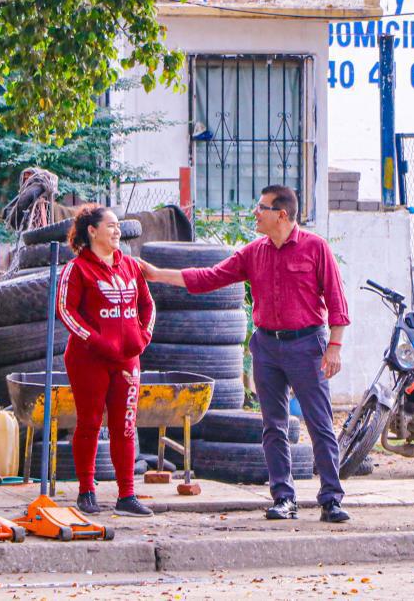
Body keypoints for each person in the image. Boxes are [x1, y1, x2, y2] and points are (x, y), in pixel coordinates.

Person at [138, 185, 351, 523]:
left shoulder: (316, 248)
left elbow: (338, 302)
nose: (255, 213)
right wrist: (156, 274)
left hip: (306, 345)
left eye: (261, 207)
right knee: (273, 426)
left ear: (281, 214)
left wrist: (335, 347)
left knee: (319, 423)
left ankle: (331, 500)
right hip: (266, 346)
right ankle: (284, 498)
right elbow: (209, 277)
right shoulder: (254, 252)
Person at [57, 204, 156, 517]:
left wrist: (142, 339)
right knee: (88, 424)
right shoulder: (77, 269)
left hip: (127, 361)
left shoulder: (130, 267)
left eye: (118, 227)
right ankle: (87, 490)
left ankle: (127, 494)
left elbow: (148, 306)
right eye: (111, 226)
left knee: (125, 427)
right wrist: (96, 341)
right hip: (88, 361)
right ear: (92, 231)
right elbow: (66, 311)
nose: (117, 231)